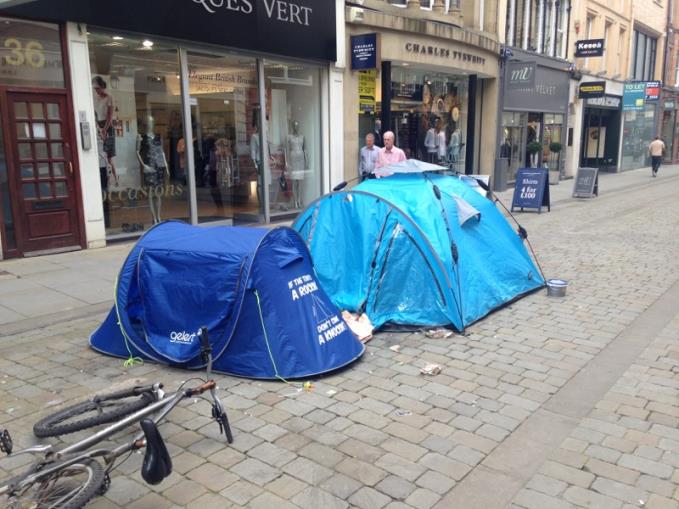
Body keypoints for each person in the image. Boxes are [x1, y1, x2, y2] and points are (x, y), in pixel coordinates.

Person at [92, 76, 118, 186]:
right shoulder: (95, 99)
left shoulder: (109, 98)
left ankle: (115, 178)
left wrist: (105, 129)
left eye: (98, 88)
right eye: (95, 89)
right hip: (99, 125)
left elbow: (109, 115)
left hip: (108, 126)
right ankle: (106, 179)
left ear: (102, 86)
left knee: (109, 155)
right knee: (101, 154)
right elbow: (96, 114)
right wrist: (98, 127)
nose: (97, 91)